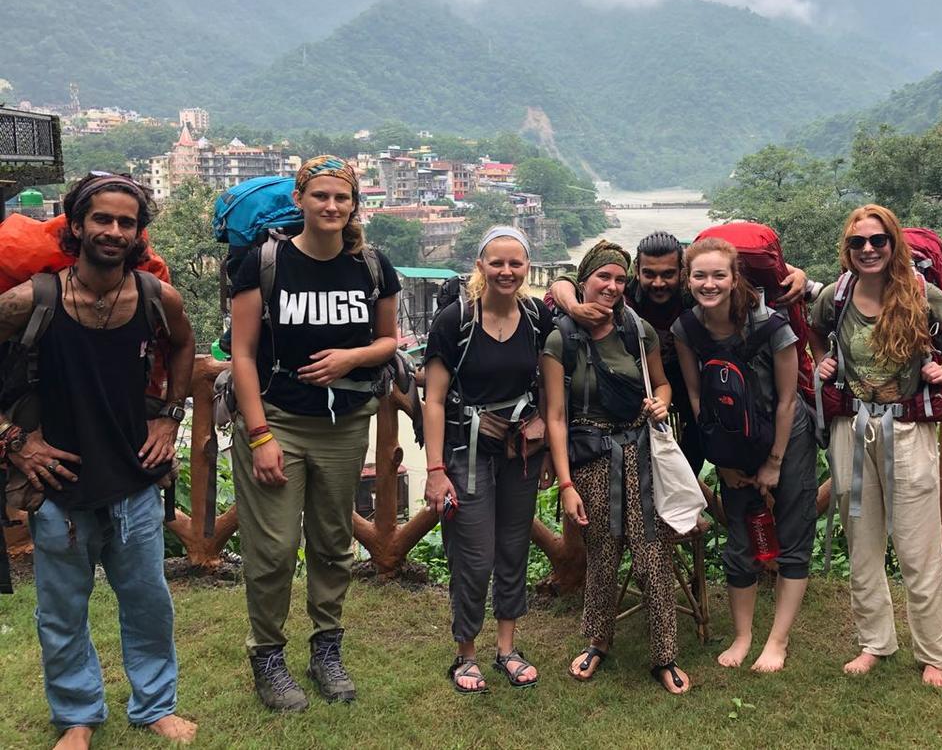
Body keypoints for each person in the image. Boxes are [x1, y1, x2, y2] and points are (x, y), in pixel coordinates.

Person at [0, 173, 197, 748]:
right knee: (61, 614)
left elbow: (183, 344)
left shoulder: (157, 299)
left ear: (139, 234)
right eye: (102, 219)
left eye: (126, 222)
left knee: (148, 604)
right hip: (56, 484)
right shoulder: (30, 300)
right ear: (77, 224)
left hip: (133, 477)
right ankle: (77, 717)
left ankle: (155, 705)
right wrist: (16, 438)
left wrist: (169, 416)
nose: (113, 231)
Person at [229, 156, 399, 712]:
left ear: (354, 205)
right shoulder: (265, 263)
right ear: (299, 199)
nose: (331, 207)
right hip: (278, 420)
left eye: (342, 198)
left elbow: (389, 341)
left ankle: (327, 646)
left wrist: (351, 357)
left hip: (346, 424)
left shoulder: (372, 267)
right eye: (321, 196)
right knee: (273, 548)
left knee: (331, 543)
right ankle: (268, 655)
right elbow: (243, 354)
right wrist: (259, 435)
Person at [811, 204, 942, 688]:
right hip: (852, 426)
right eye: (858, 242)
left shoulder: (921, 294)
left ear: (893, 244)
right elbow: (815, 334)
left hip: (907, 429)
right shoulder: (834, 295)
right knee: (861, 543)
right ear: (848, 248)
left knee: (917, 546)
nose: (868, 249)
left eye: (877, 241)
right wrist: (823, 361)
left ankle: (933, 651)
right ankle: (874, 642)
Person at [542, 240, 690, 694]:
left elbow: (663, 384)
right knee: (602, 555)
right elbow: (556, 416)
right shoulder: (561, 337)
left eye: (619, 279)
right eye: (602, 277)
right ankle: (597, 640)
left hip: (640, 452)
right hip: (589, 460)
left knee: (651, 555)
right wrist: (566, 483)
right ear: (583, 280)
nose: (611, 286)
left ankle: (665, 655)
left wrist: (659, 405)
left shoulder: (636, 329)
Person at [673, 237, 817, 672]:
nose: (709, 283)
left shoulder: (771, 326)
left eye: (719, 275)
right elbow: (699, 401)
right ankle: (743, 636)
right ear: (689, 278)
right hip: (733, 441)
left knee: (793, 533)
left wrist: (774, 462)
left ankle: (778, 639)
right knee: (740, 540)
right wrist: (725, 461)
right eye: (700, 275)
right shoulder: (687, 329)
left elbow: (789, 401)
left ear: (735, 278)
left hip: (786, 437)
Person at [550, 231, 809, 473]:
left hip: (687, 378)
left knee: (699, 431)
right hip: (634, 382)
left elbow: (728, 271)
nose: (658, 282)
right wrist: (574, 307)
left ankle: (691, 494)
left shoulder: (695, 290)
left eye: (668, 274)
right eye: (649, 273)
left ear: (683, 273)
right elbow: (563, 283)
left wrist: (796, 273)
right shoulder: (624, 289)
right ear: (636, 272)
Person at [422, 225, 554, 694]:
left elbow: (549, 379)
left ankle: (507, 647)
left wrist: (541, 425)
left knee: (514, 549)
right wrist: (435, 471)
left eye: (515, 263)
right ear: (480, 266)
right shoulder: (455, 321)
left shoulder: (538, 317)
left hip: (520, 451)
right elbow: (433, 400)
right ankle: (465, 653)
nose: (506, 271)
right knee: (473, 556)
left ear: (526, 268)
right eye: (496, 262)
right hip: (465, 449)